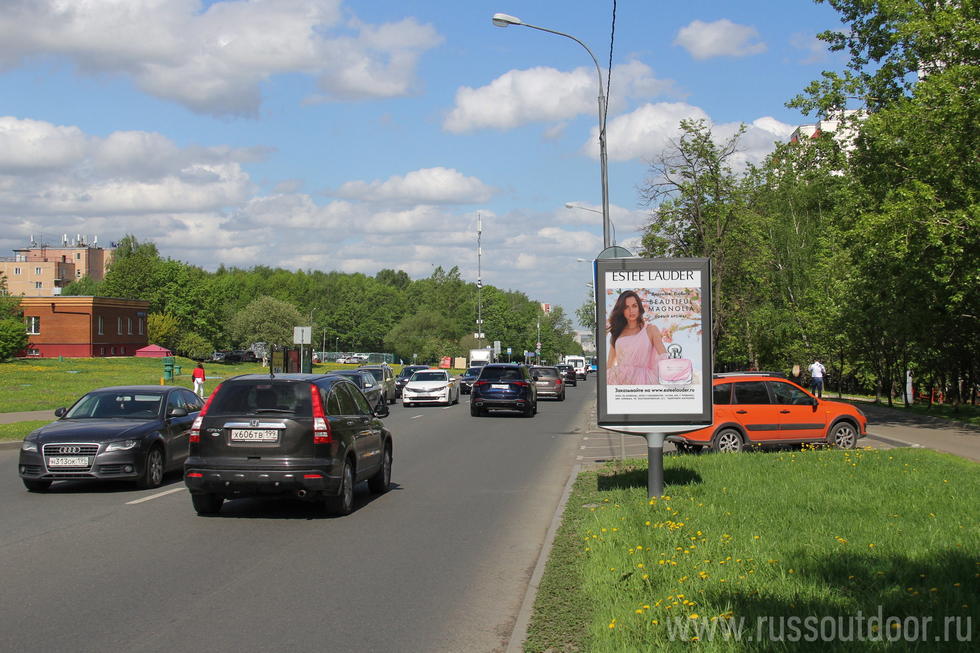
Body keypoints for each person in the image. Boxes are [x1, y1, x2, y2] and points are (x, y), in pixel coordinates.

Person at [606, 290, 667, 385]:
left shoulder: (651, 330)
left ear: (639, 307)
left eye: (634, 306)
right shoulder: (617, 333)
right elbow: (609, 364)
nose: (631, 311)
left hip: (643, 381)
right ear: (622, 310)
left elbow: (663, 356)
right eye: (626, 307)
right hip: (620, 381)